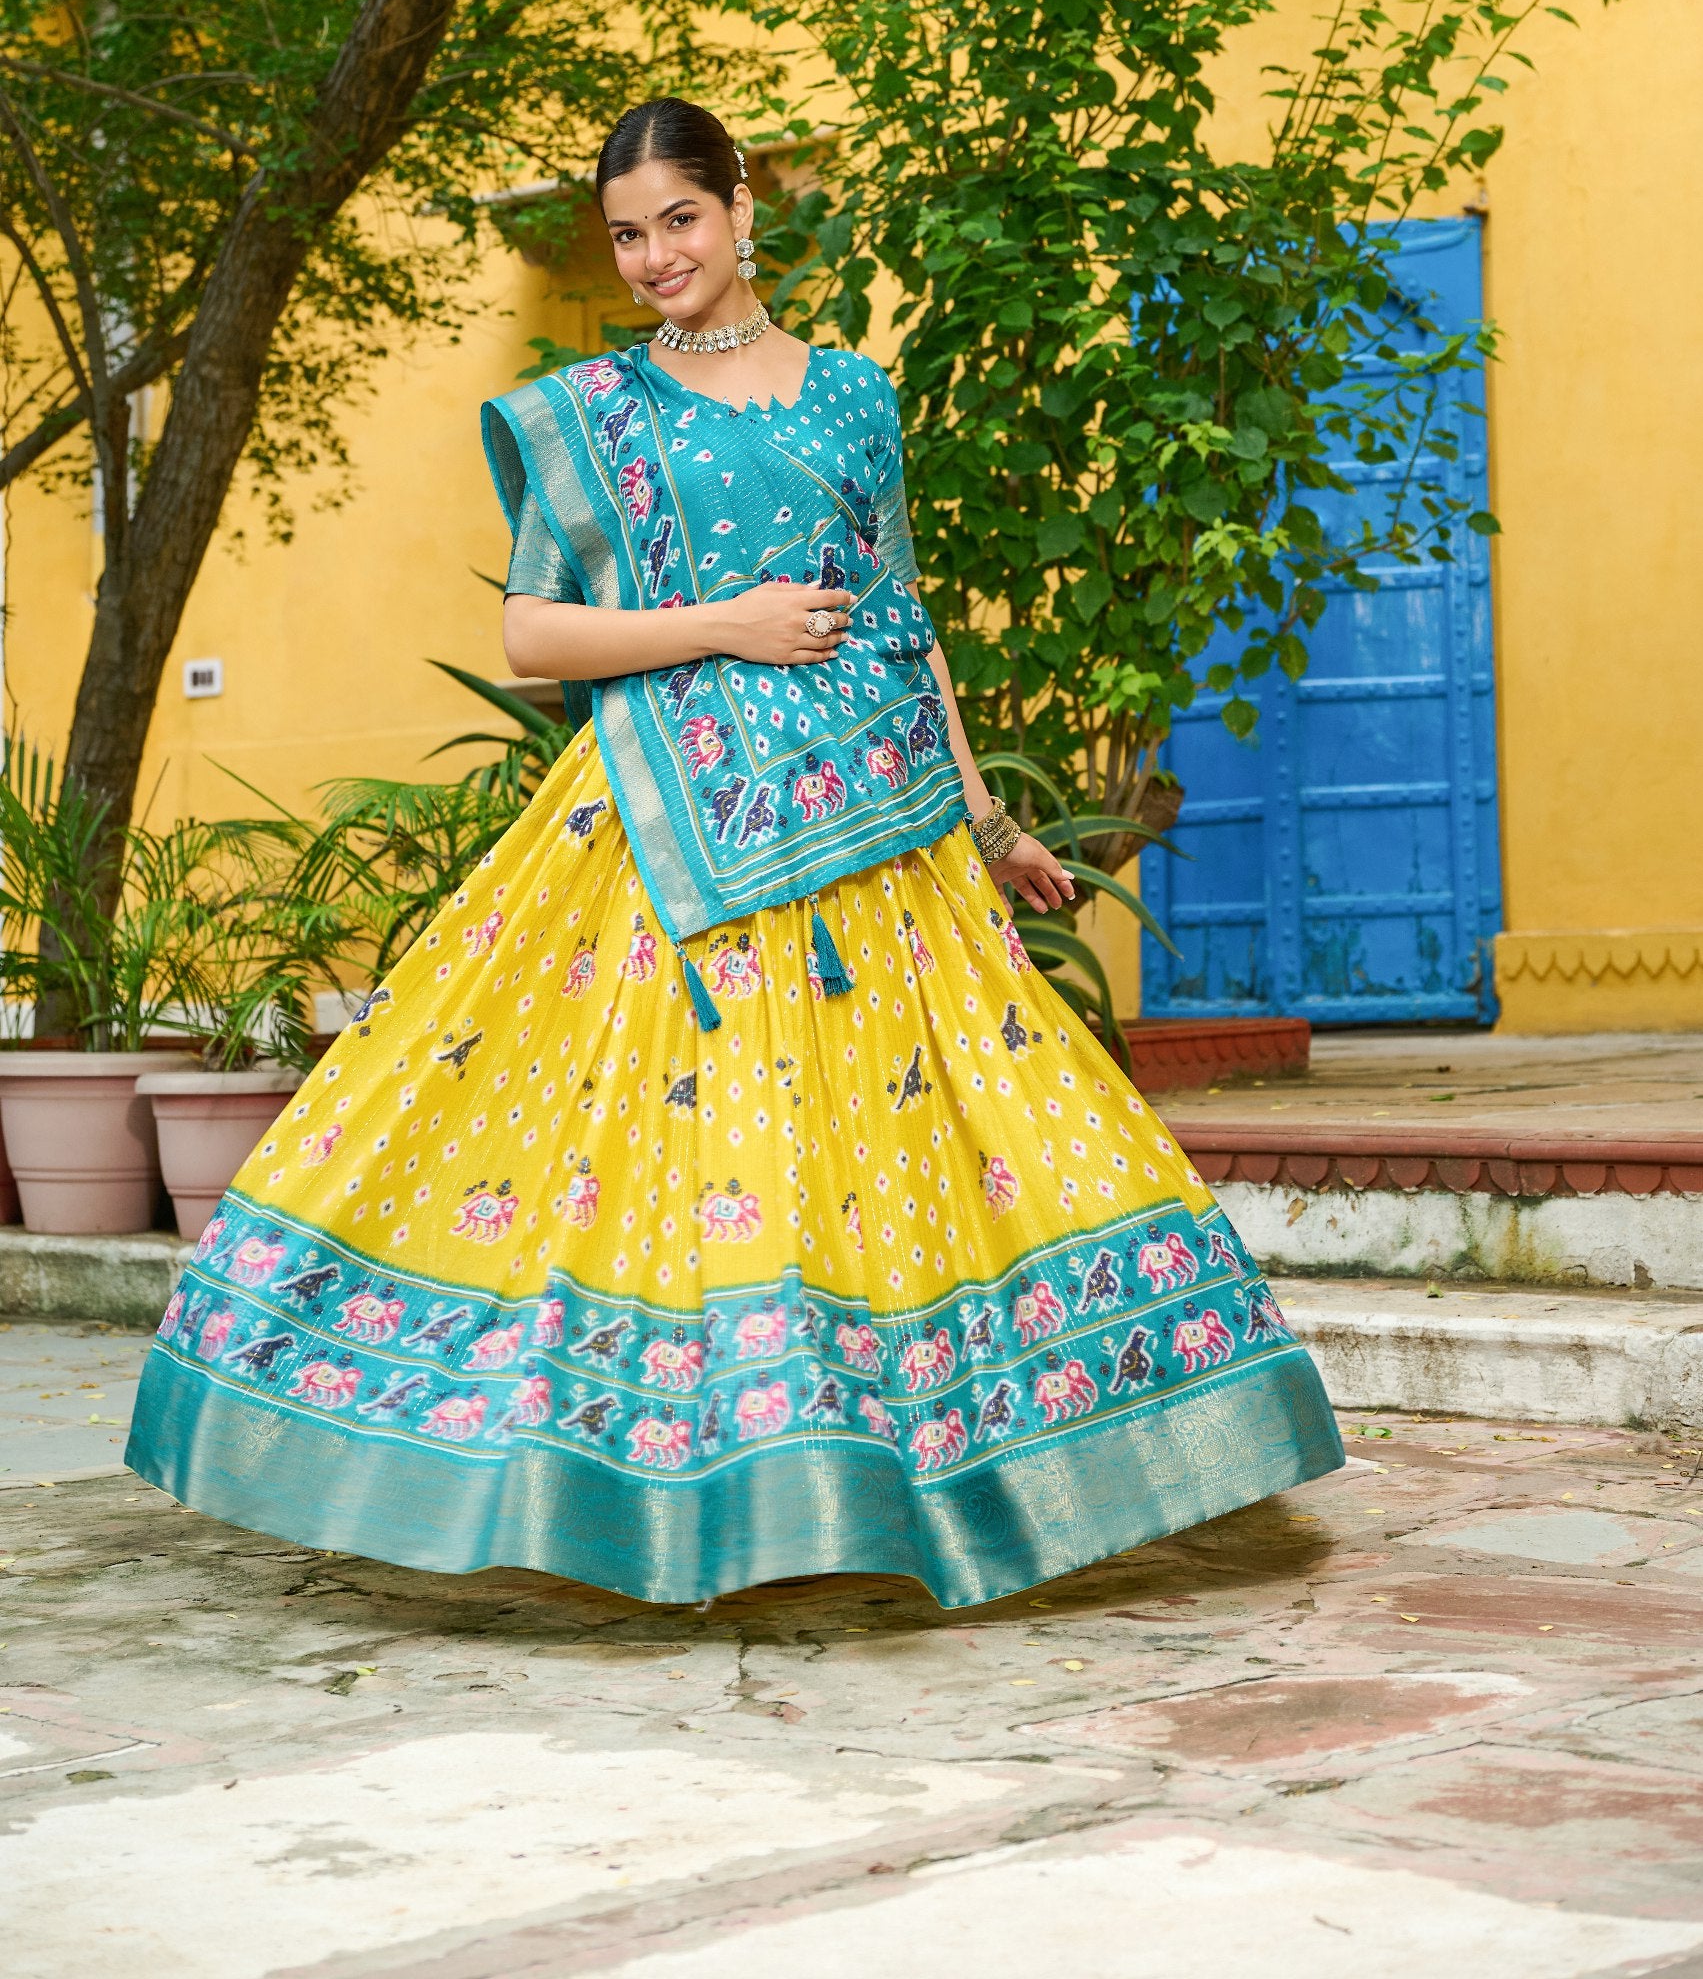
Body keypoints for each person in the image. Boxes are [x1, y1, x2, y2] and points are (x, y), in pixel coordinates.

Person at [126, 97, 1342, 1606]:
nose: (655, 258)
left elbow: (905, 630)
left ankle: (923, 1475)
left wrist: (991, 821)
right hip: (660, 834)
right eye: (628, 235)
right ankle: (681, 1488)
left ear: (743, 207)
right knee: (673, 1151)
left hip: (878, 836)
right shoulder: (597, 410)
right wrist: (728, 626)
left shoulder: (854, 397)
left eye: (679, 220)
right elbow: (530, 637)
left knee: (914, 1148)